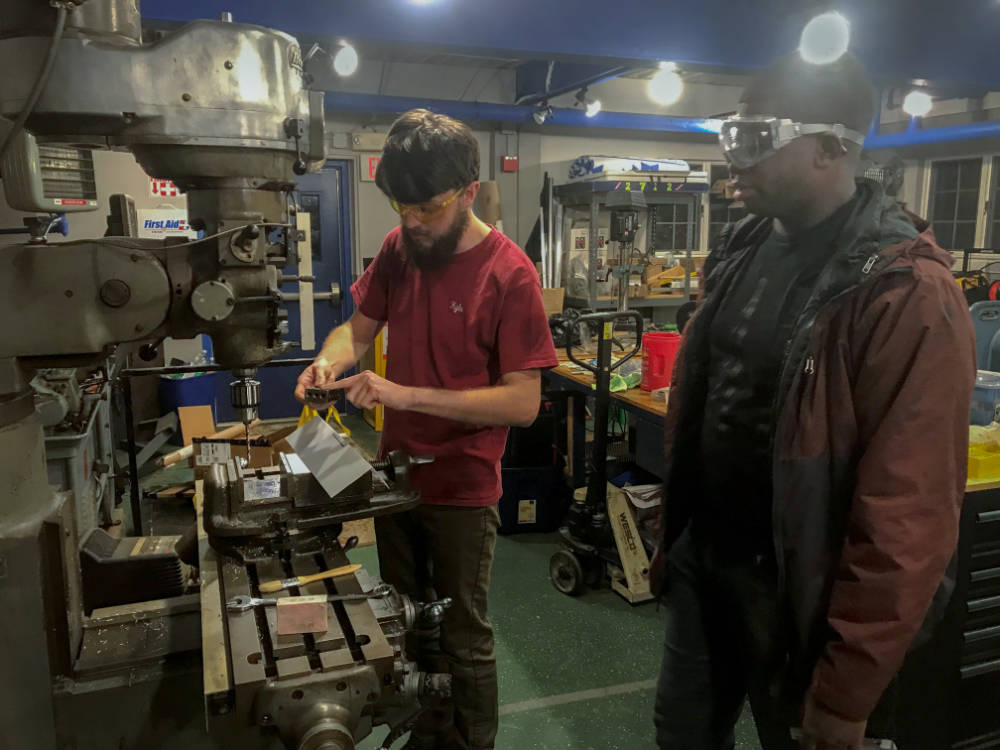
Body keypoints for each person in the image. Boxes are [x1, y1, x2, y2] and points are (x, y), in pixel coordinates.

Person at [651, 52, 975, 750]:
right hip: (706, 563)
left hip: (802, 601)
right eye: (729, 137)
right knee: (680, 735)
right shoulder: (742, 246)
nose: (735, 161)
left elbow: (907, 515)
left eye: (757, 141)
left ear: (833, 148)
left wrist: (849, 687)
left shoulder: (904, 293)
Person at [295, 109, 558, 750]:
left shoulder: (510, 274)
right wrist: (330, 360)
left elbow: (523, 403)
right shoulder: (399, 247)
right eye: (401, 207)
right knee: (407, 623)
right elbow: (358, 328)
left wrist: (401, 394)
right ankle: (427, 732)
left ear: (470, 191)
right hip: (396, 479)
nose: (411, 221)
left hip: (462, 489)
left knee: (463, 634)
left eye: (428, 209)